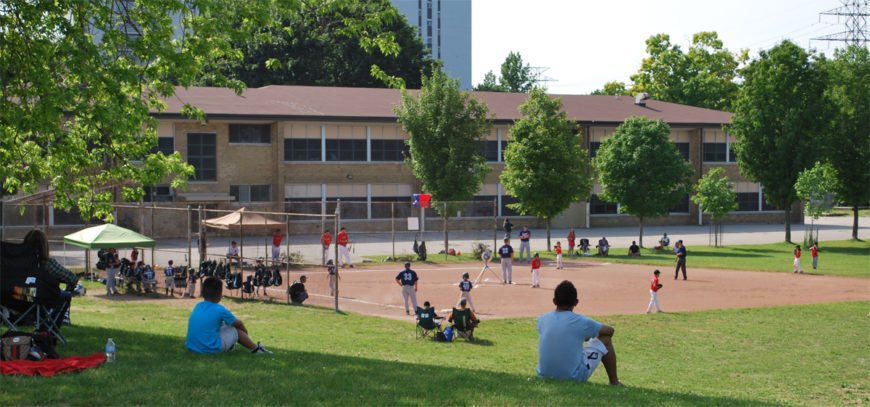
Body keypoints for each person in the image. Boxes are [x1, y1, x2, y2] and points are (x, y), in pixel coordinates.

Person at [536, 280, 622, 385]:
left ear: (554, 301)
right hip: (573, 377)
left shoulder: (542, 319)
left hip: (544, 375)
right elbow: (610, 331)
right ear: (576, 302)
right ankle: (614, 382)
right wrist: (591, 335)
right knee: (605, 339)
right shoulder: (580, 321)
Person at [185, 277, 272, 354]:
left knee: (223, 324)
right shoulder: (219, 309)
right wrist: (244, 331)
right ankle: (257, 349)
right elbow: (238, 323)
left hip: (192, 347)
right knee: (235, 329)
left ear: (203, 293)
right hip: (210, 348)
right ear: (220, 295)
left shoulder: (198, 306)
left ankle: (230, 346)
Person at [22, 229, 78, 330]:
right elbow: (73, 279)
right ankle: (51, 327)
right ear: (44, 246)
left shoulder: (16, 263)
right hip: (41, 298)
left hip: (19, 298)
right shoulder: (47, 263)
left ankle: (42, 322)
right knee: (65, 296)